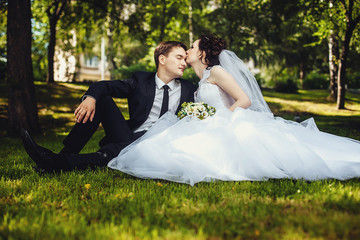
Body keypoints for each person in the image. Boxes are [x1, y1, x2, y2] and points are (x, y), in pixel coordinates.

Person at [108, 34, 360, 186]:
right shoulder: (202, 79)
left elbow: (244, 100)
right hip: (210, 124)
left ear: (203, 53)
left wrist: (221, 122)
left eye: (192, 48)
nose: (188, 52)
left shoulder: (216, 71)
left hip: (228, 123)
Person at [21, 41, 198, 172]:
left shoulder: (189, 89)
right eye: (179, 57)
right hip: (129, 135)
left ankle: (54, 162)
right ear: (162, 59)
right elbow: (104, 86)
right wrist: (90, 98)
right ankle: (65, 153)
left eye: (185, 59)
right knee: (102, 99)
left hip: (159, 142)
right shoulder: (141, 81)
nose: (184, 63)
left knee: (111, 152)